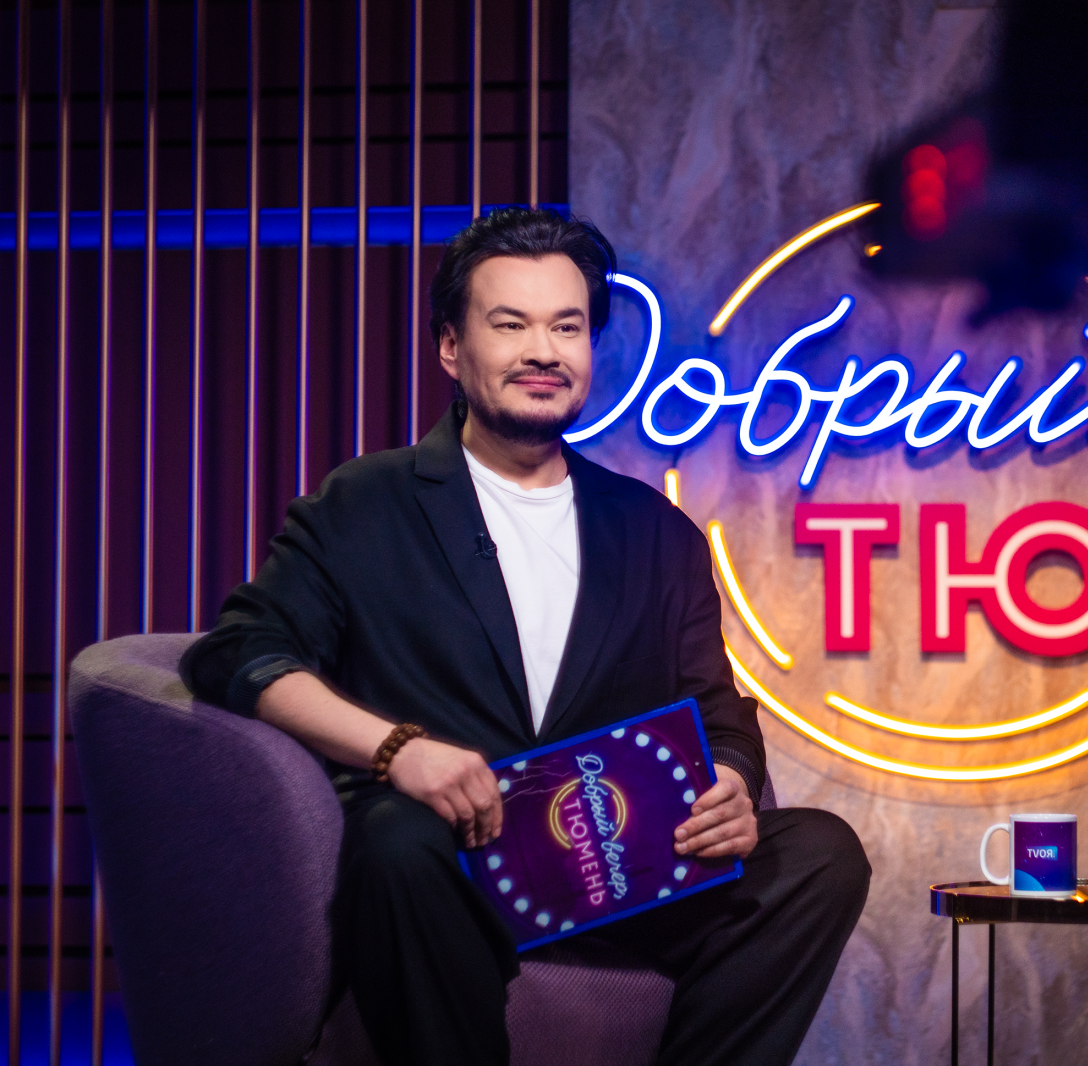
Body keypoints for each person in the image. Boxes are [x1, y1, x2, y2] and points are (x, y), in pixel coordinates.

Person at [181, 207, 871, 1066]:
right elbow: (241, 652)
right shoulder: (365, 502)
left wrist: (729, 781)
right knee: (395, 842)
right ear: (451, 346)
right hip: (451, 863)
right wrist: (397, 750)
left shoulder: (656, 530)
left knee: (820, 854)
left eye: (566, 327)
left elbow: (714, 707)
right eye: (510, 325)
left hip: (616, 870)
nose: (543, 351)